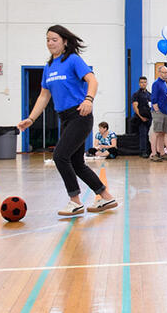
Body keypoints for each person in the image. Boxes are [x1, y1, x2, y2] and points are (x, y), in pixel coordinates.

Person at [17, 25, 117, 216]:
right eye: (47, 39)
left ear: (65, 42)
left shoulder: (72, 60)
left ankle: (75, 201)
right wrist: (30, 118)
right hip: (64, 117)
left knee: (60, 156)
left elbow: (92, 80)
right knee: (76, 162)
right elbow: (44, 96)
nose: (50, 43)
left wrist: (89, 99)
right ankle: (106, 196)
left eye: (54, 39)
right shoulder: (49, 67)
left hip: (80, 114)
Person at [149, 66, 167, 161]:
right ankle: (154, 153)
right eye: (163, 72)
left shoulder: (164, 84)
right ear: (159, 73)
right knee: (156, 132)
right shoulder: (156, 84)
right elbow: (153, 98)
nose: (165, 74)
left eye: (166, 72)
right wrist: (157, 110)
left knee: (163, 132)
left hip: (165, 110)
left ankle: (162, 152)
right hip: (159, 111)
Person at [131, 76, 151, 157]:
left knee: (150, 135)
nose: (143, 84)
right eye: (142, 82)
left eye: (145, 82)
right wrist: (141, 117)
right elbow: (135, 106)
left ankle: (150, 150)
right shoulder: (136, 94)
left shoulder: (149, 94)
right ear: (139, 83)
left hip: (149, 118)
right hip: (140, 119)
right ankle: (143, 151)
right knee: (143, 134)